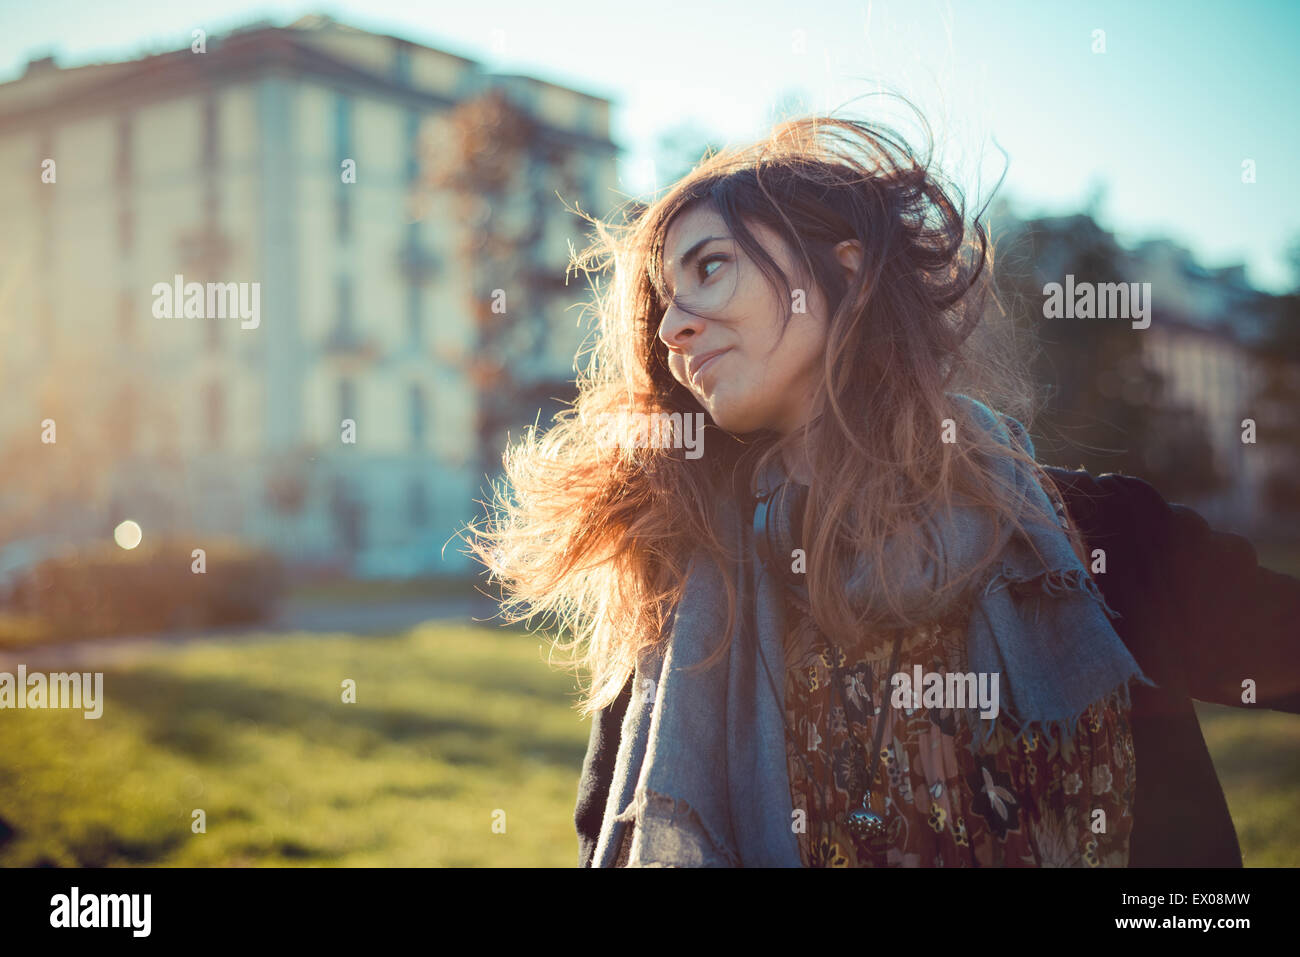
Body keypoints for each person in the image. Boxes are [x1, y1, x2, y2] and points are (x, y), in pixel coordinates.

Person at [470, 108, 1300, 867]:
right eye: (664, 302)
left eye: (711, 266)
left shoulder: (1095, 539)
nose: (672, 327)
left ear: (848, 272)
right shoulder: (681, 603)